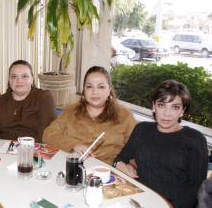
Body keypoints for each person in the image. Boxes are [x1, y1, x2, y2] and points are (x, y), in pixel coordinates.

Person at [114, 80, 208, 208]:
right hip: (137, 199)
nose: (167, 113)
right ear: (153, 106)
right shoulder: (142, 129)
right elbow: (119, 159)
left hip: (172, 204)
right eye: (161, 105)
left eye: (175, 107)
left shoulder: (194, 139)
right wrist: (121, 165)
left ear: (182, 111)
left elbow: (195, 188)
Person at [43, 66, 136, 165]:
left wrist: (126, 165)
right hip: (72, 167)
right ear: (84, 90)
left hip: (107, 173)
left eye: (101, 87)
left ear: (109, 90)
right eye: (89, 86)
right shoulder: (71, 111)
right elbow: (48, 134)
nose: (94, 92)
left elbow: (137, 150)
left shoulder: (124, 116)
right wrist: (74, 144)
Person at [0, 60, 56, 142]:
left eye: (25, 76)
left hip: (33, 149)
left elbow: (46, 133)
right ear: (9, 80)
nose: (19, 80)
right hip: (3, 150)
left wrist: (24, 150)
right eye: (14, 76)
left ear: (32, 79)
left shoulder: (44, 97)